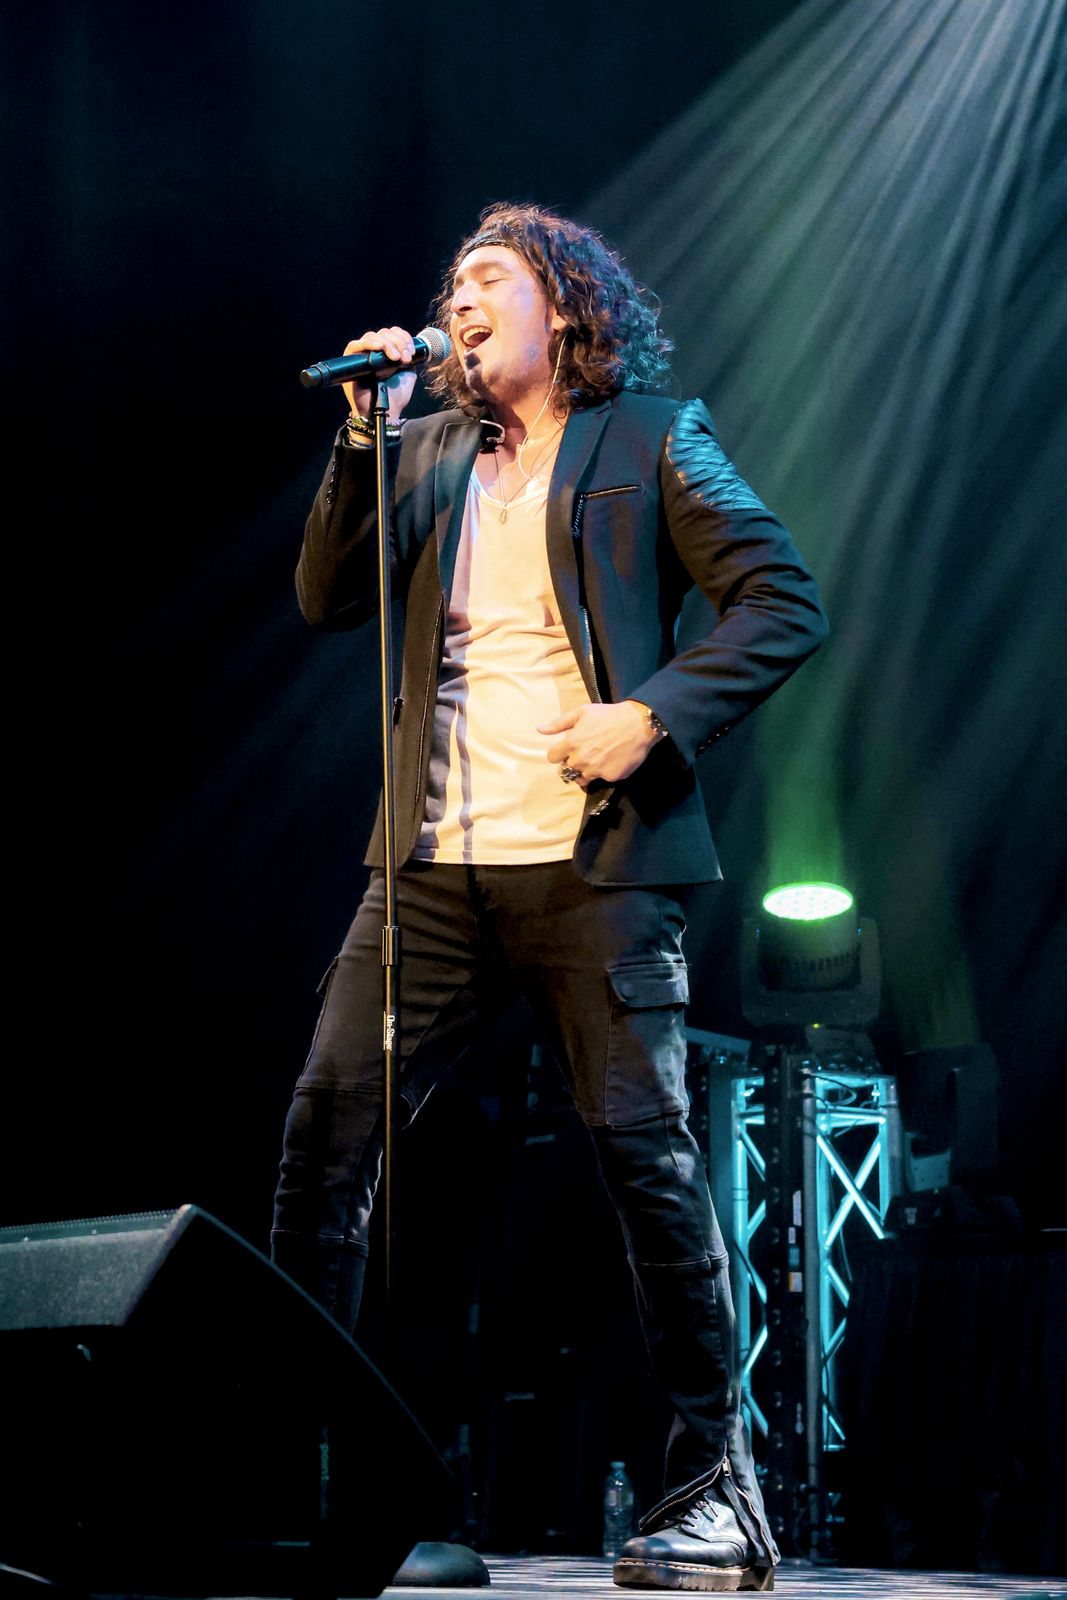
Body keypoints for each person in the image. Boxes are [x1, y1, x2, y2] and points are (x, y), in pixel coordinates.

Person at [271, 201, 827, 1593]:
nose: (458, 301)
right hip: (430, 870)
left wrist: (655, 713)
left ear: (565, 307)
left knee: (647, 1166)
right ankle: (320, 1482)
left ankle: (718, 1495)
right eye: (450, 285)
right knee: (326, 1139)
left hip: (598, 865)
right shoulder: (422, 451)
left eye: (489, 279)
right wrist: (362, 436)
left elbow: (782, 598)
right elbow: (326, 596)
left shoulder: (653, 437)